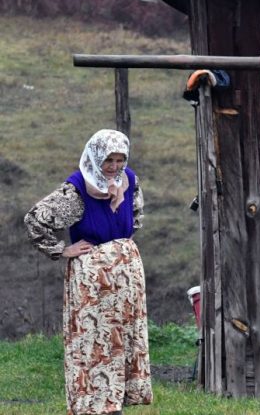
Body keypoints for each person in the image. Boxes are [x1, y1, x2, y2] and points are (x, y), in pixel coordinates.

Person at [24, 129, 152, 415]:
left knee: (124, 338)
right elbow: (35, 220)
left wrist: (122, 248)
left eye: (120, 159)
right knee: (94, 341)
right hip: (93, 280)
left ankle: (117, 399)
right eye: (109, 160)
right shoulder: (78, 189)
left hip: (126, 276)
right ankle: (93, 405)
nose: (115, 166)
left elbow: (137, 216)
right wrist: (62, 250)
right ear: (96, 156)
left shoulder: (128, 180)